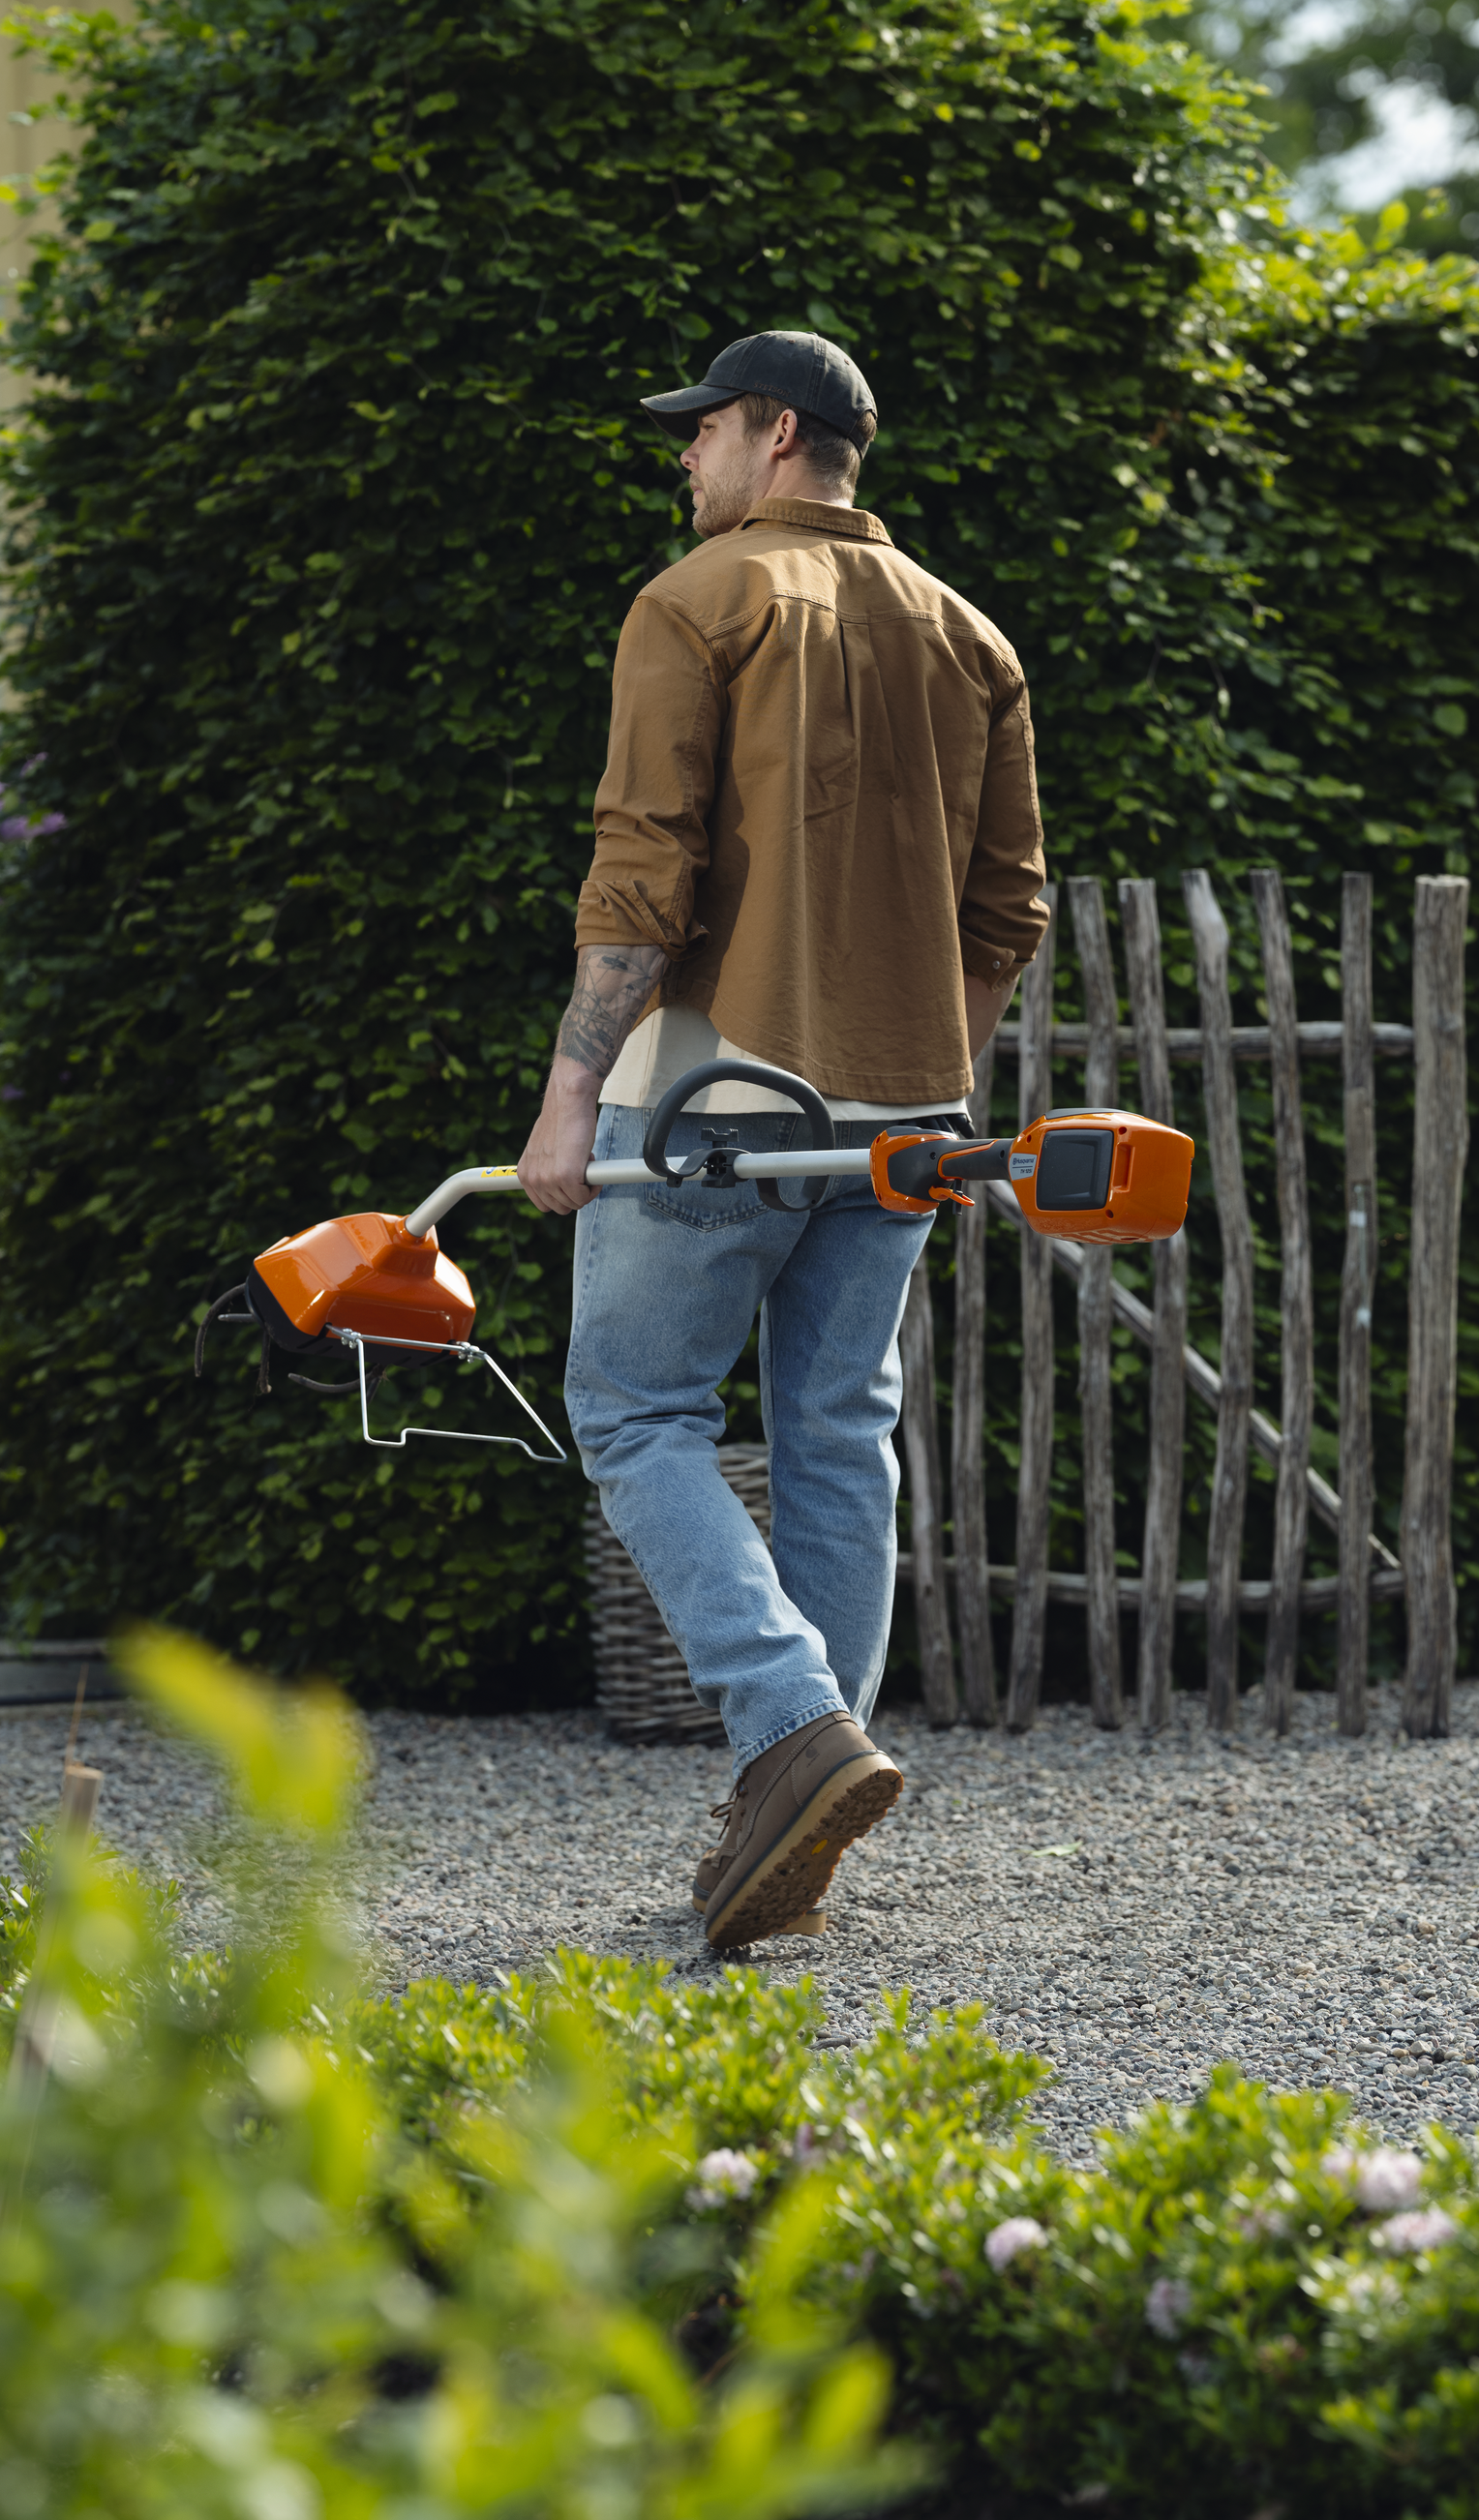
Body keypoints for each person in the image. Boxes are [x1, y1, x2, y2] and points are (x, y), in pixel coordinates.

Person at [516, 330, 1048, 1949]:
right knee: (837, 1425)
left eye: (701, 434)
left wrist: (565, 1093)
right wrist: (925, 1080)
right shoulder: (972, 637)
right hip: (908, 1113)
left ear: (774, 431)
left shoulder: (697, 603)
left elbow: (644, 867)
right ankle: (798, 1797)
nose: (685, 464)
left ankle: (788, 1720)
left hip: (709, 1097)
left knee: (631, 1406)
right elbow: (1010, 908)